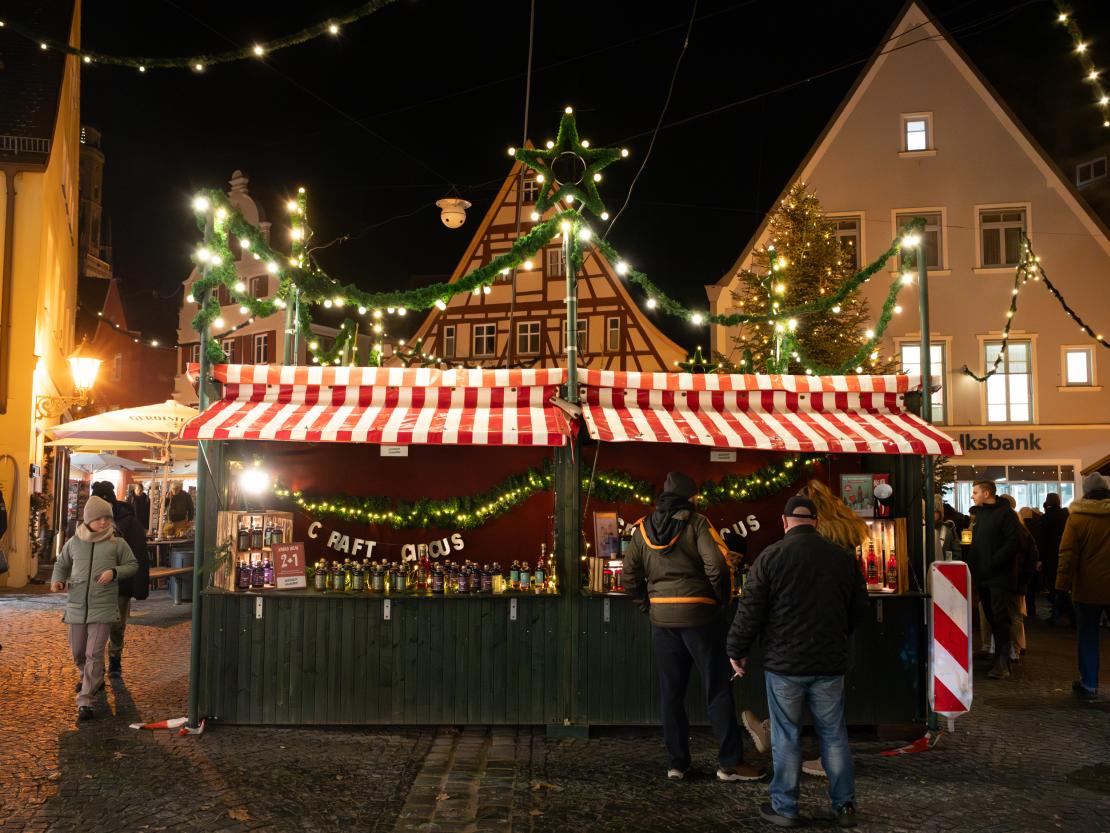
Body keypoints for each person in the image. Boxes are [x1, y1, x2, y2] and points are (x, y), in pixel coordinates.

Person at [727, 495, 868, 828]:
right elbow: (858, 609)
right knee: (833, 735)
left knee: (786, 736)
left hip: (785, 665)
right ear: (816, 522)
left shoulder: (770, 556)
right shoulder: (842, 558)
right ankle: (845, 807)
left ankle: (785, 808)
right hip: (829, 663)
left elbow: (750, 611)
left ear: (785, 521)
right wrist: (837, 636)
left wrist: (737, 649)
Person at [622, 471, 764, 783]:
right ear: (691, 498)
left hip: (662, 620)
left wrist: (649, 606)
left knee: (671, 693)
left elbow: (628, 575)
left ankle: (677, 764)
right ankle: (729, 764)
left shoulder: (642, 528)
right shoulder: (698, 523)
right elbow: (717, 565)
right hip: (700, 618)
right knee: (718, 689)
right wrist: (720, 600)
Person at [50, 496, 138, 720]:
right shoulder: (74, 542)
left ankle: (86, 700)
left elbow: (132, 565)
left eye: (107, 518)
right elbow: (62, 563)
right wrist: (57, 580)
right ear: (88, 519)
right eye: (99, 518)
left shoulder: (116, 542)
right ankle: (93, 678)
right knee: (78, 652)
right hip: (77, 606)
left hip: (103, 607)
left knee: (94, 653)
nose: (104, 522)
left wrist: (114, 572)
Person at [1056, 473, 1110, 699]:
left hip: (1087, 589)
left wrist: (1061, 587)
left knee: (1088, 636)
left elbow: (1068, 555)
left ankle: (1089, 684)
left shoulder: (1077, 518)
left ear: (1086, 492)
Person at [91, 481, 151, 678]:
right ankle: (96, 665)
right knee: (96, 626)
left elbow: (139, 555)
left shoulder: (129, 522)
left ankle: (115, 660)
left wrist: (139, 586)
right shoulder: (89, 521)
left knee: (116, 625)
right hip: (95, 584)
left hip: (120, 582)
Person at [967, 480, 1022, 680]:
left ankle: (1003, 662)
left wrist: (993, 561)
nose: (972, 495)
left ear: (987, 493)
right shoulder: (980, 514)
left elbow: (1014, 542)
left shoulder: (1006, 514)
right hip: (983, 575)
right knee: (992, 617)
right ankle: (1000, 658)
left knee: (1000, 618)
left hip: (999, 576)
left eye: (975, 492)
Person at [1000, 495, 1039, 660]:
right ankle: (1015, 649)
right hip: (1018, 579)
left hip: (1009, 579)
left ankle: (1011, 649)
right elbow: (1033, 556)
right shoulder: (1024, 531)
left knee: (1009, 614)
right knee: (1016, 615)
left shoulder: (1008, 532)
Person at [1038, 493, 1070, 625]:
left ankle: (1061, 614)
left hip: (1051, 558)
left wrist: (1040, 559)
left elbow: (1043, 541)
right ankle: (1064, 613)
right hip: (1066, 555)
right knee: (1065, 586)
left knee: (1054, 586)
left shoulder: (1046, 518)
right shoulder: (1067, 516)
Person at [934, 496, 958, 560]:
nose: (932, 514)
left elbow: (956, 553)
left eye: (935, 511)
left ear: (940, 512)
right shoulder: (922, 529)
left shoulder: (948, 529)